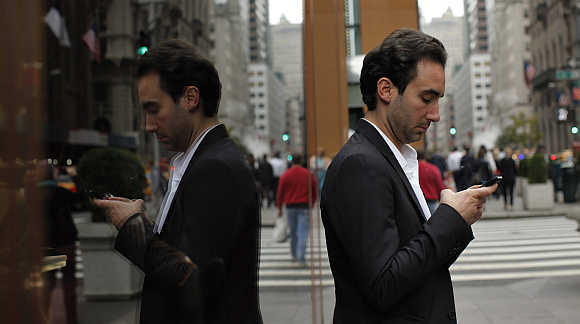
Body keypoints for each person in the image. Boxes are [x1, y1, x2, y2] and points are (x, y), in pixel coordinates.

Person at [321, 28, 498, 323]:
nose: (435, 114)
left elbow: (417, 264)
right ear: (386, 90)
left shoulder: (389, 157)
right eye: (426, 98)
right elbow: (384, 285)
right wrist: (449, 218)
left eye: (438, 99)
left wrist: (456, 219)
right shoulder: (362, 165)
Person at [93, 40, 262, 323]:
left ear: (190, 98)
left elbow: (190, 278)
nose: (147, 125)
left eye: (153, 109)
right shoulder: (200, 161)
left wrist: (132, 225)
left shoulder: (215, 168)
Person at [40, 162, 79, 324]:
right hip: (67, 245)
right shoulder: (63, 192)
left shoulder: (31, 194)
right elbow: (80, 199)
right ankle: (72, 320)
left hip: (49, 246)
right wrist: (72, 175)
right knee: (69, 286)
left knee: (48, 286)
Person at [276, 154, 318, 266]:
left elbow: (280, 193)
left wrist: (279, 208)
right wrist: (312, 203)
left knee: (293, 232)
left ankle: (294, 254)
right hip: (304, 206)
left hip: (290, 207)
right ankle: (301, 257)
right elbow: (314, 190)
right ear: (301, 160)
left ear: (292, 162)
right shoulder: (308, 174)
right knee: (302, 233)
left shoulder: (286, 175)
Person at [418, 150, 445, 214]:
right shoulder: (433, 168)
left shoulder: (412, 169)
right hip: (432, 201)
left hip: (418, 203)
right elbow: (439, 186)